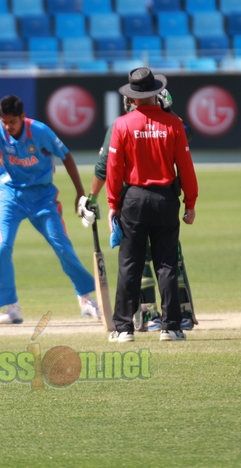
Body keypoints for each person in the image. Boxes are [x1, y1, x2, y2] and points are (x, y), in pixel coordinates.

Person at [0, 96, 100, 325]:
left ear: (22, 117)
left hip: (43, 198)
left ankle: (85, 299)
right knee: (3, 246)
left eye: (12, 122)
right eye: (4, 122)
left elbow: (65, 156)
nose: (8, 127)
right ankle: (11, 307)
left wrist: (79, 192)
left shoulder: (39, 130)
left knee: (62, 246)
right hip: (10, 197)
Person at [88, 90, 196, 333]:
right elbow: (186, 166)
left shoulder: (122, 124)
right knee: (167, 262)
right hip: (166, 198)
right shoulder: (174, 123)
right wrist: (191, 202)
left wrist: (106, 202)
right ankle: (175, 324)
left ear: (131, 99)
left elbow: (107, 168)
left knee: (132, 263)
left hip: (132, 201)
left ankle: (132, 323)